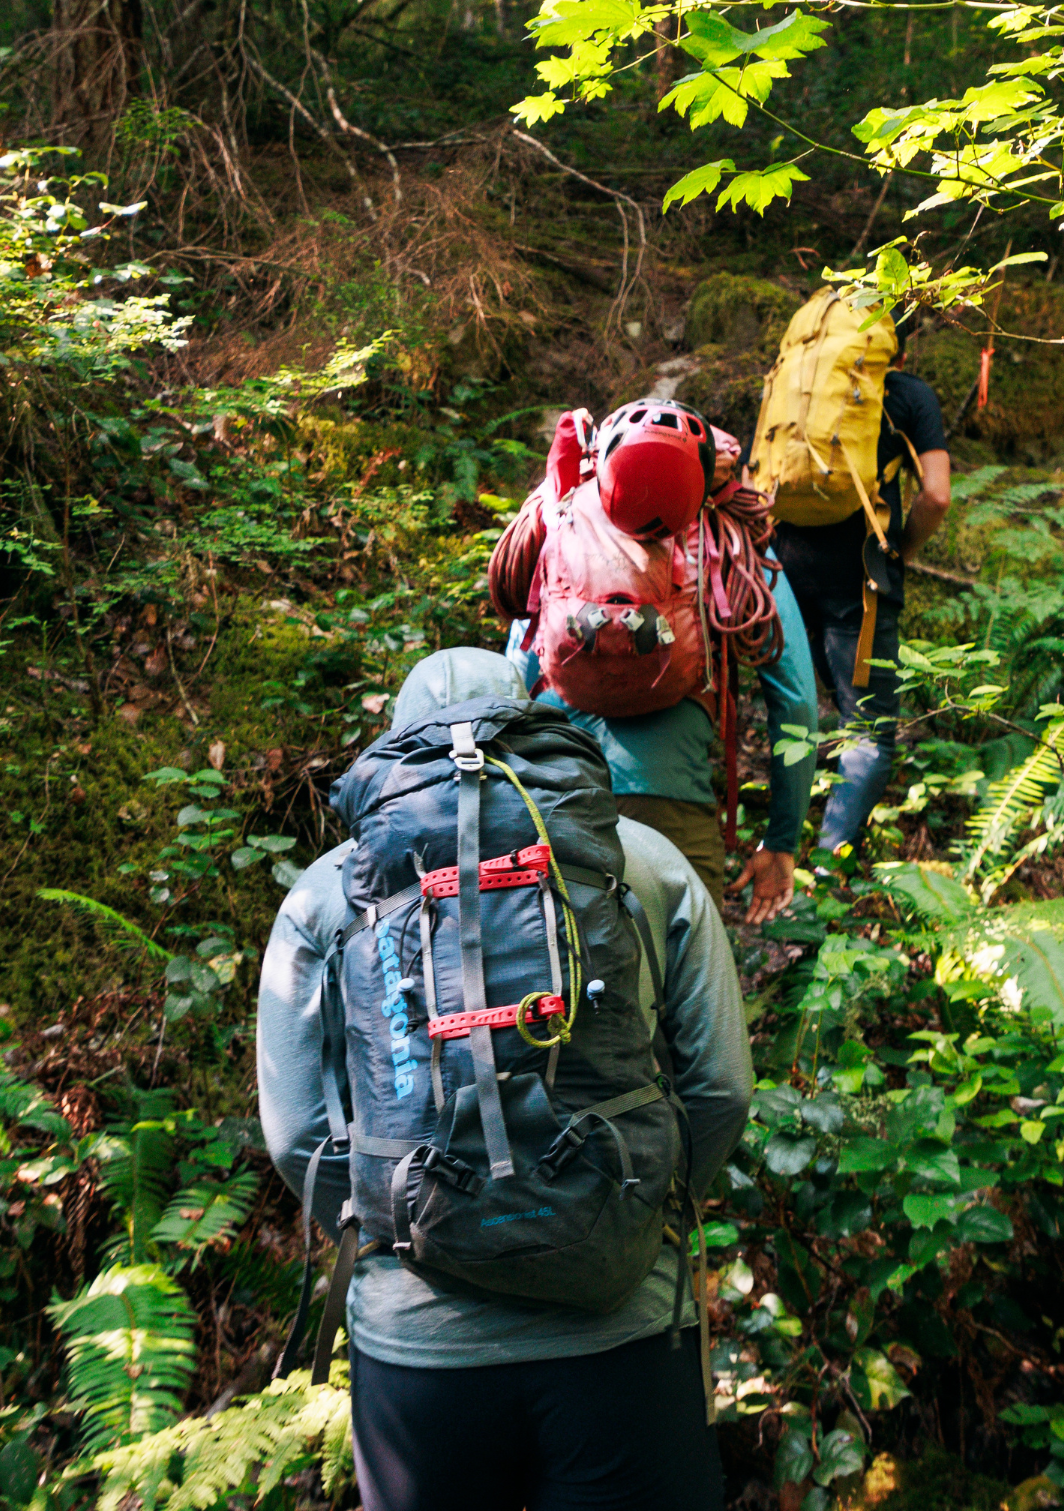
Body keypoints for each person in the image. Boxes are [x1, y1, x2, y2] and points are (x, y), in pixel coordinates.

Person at [258, 646, 752, 1511]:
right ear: (534, 722)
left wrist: (406, 1219)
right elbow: (720, 1089)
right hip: (624, 1334)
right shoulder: (642, 860)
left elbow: (298, 1132)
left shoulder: (331, 894)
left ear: (398, 747)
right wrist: (635, 1208)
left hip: (419, 1350)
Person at [505, 557, 815, 925]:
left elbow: (511, 683)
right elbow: (796, 704)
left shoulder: (557, 522)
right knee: (690, 974)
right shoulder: (731, 539)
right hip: (671, 805)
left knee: (561, 969)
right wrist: (781, 840)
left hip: (553, 796)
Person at [772, 340, 950, 857]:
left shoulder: (799, 389)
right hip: (862, 574)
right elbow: (936, 495)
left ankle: (777, 844)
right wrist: (901, 553)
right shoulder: (907, 394)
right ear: (898, 345)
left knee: (792, 709)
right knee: (870, 728)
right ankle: (828, 866)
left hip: (785, 562)